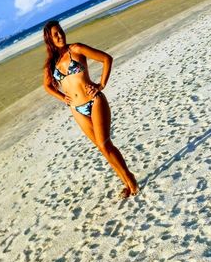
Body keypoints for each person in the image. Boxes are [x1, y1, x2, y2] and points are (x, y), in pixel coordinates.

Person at [41, 20, 140, 197]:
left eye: (61, 31)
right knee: (102, 148)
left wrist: (101, 85)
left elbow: (106, 59)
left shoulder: (76, 49)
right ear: (49, 40)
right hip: (76, 109)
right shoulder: (51, 64)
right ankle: (125, 181)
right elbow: (47, 85)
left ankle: (130, 179)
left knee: (104, 143)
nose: (60, 35)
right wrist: (63, 97)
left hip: (94, 101)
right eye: (55, 34)